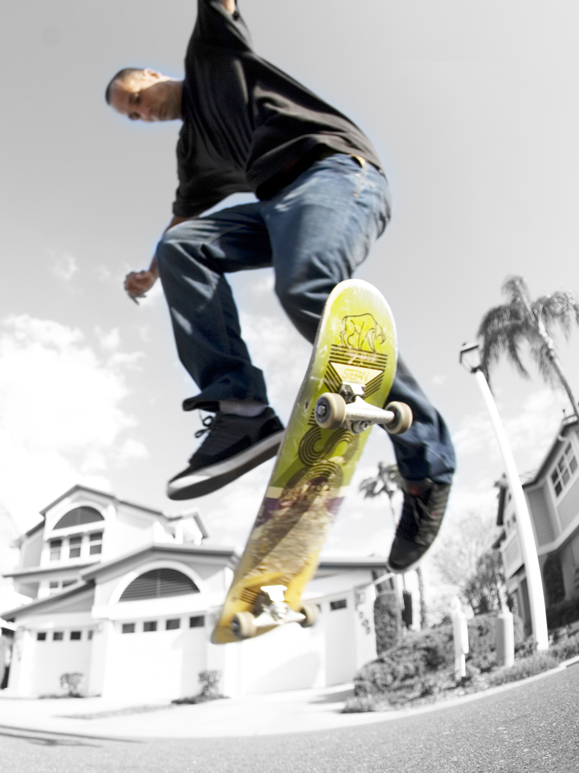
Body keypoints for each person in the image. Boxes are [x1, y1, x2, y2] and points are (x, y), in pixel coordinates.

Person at [106, 0, 455, 572]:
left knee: (304, 288)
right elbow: (180, 224)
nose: (141, 115)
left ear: (149, 76)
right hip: (275, 209)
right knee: (182, 248)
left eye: (137, 101)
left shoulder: (213, 51)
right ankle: (241, 408)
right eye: (131, 118)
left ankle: (428, 463)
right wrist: (151, 271)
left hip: (336, 174)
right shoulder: (192, 153)